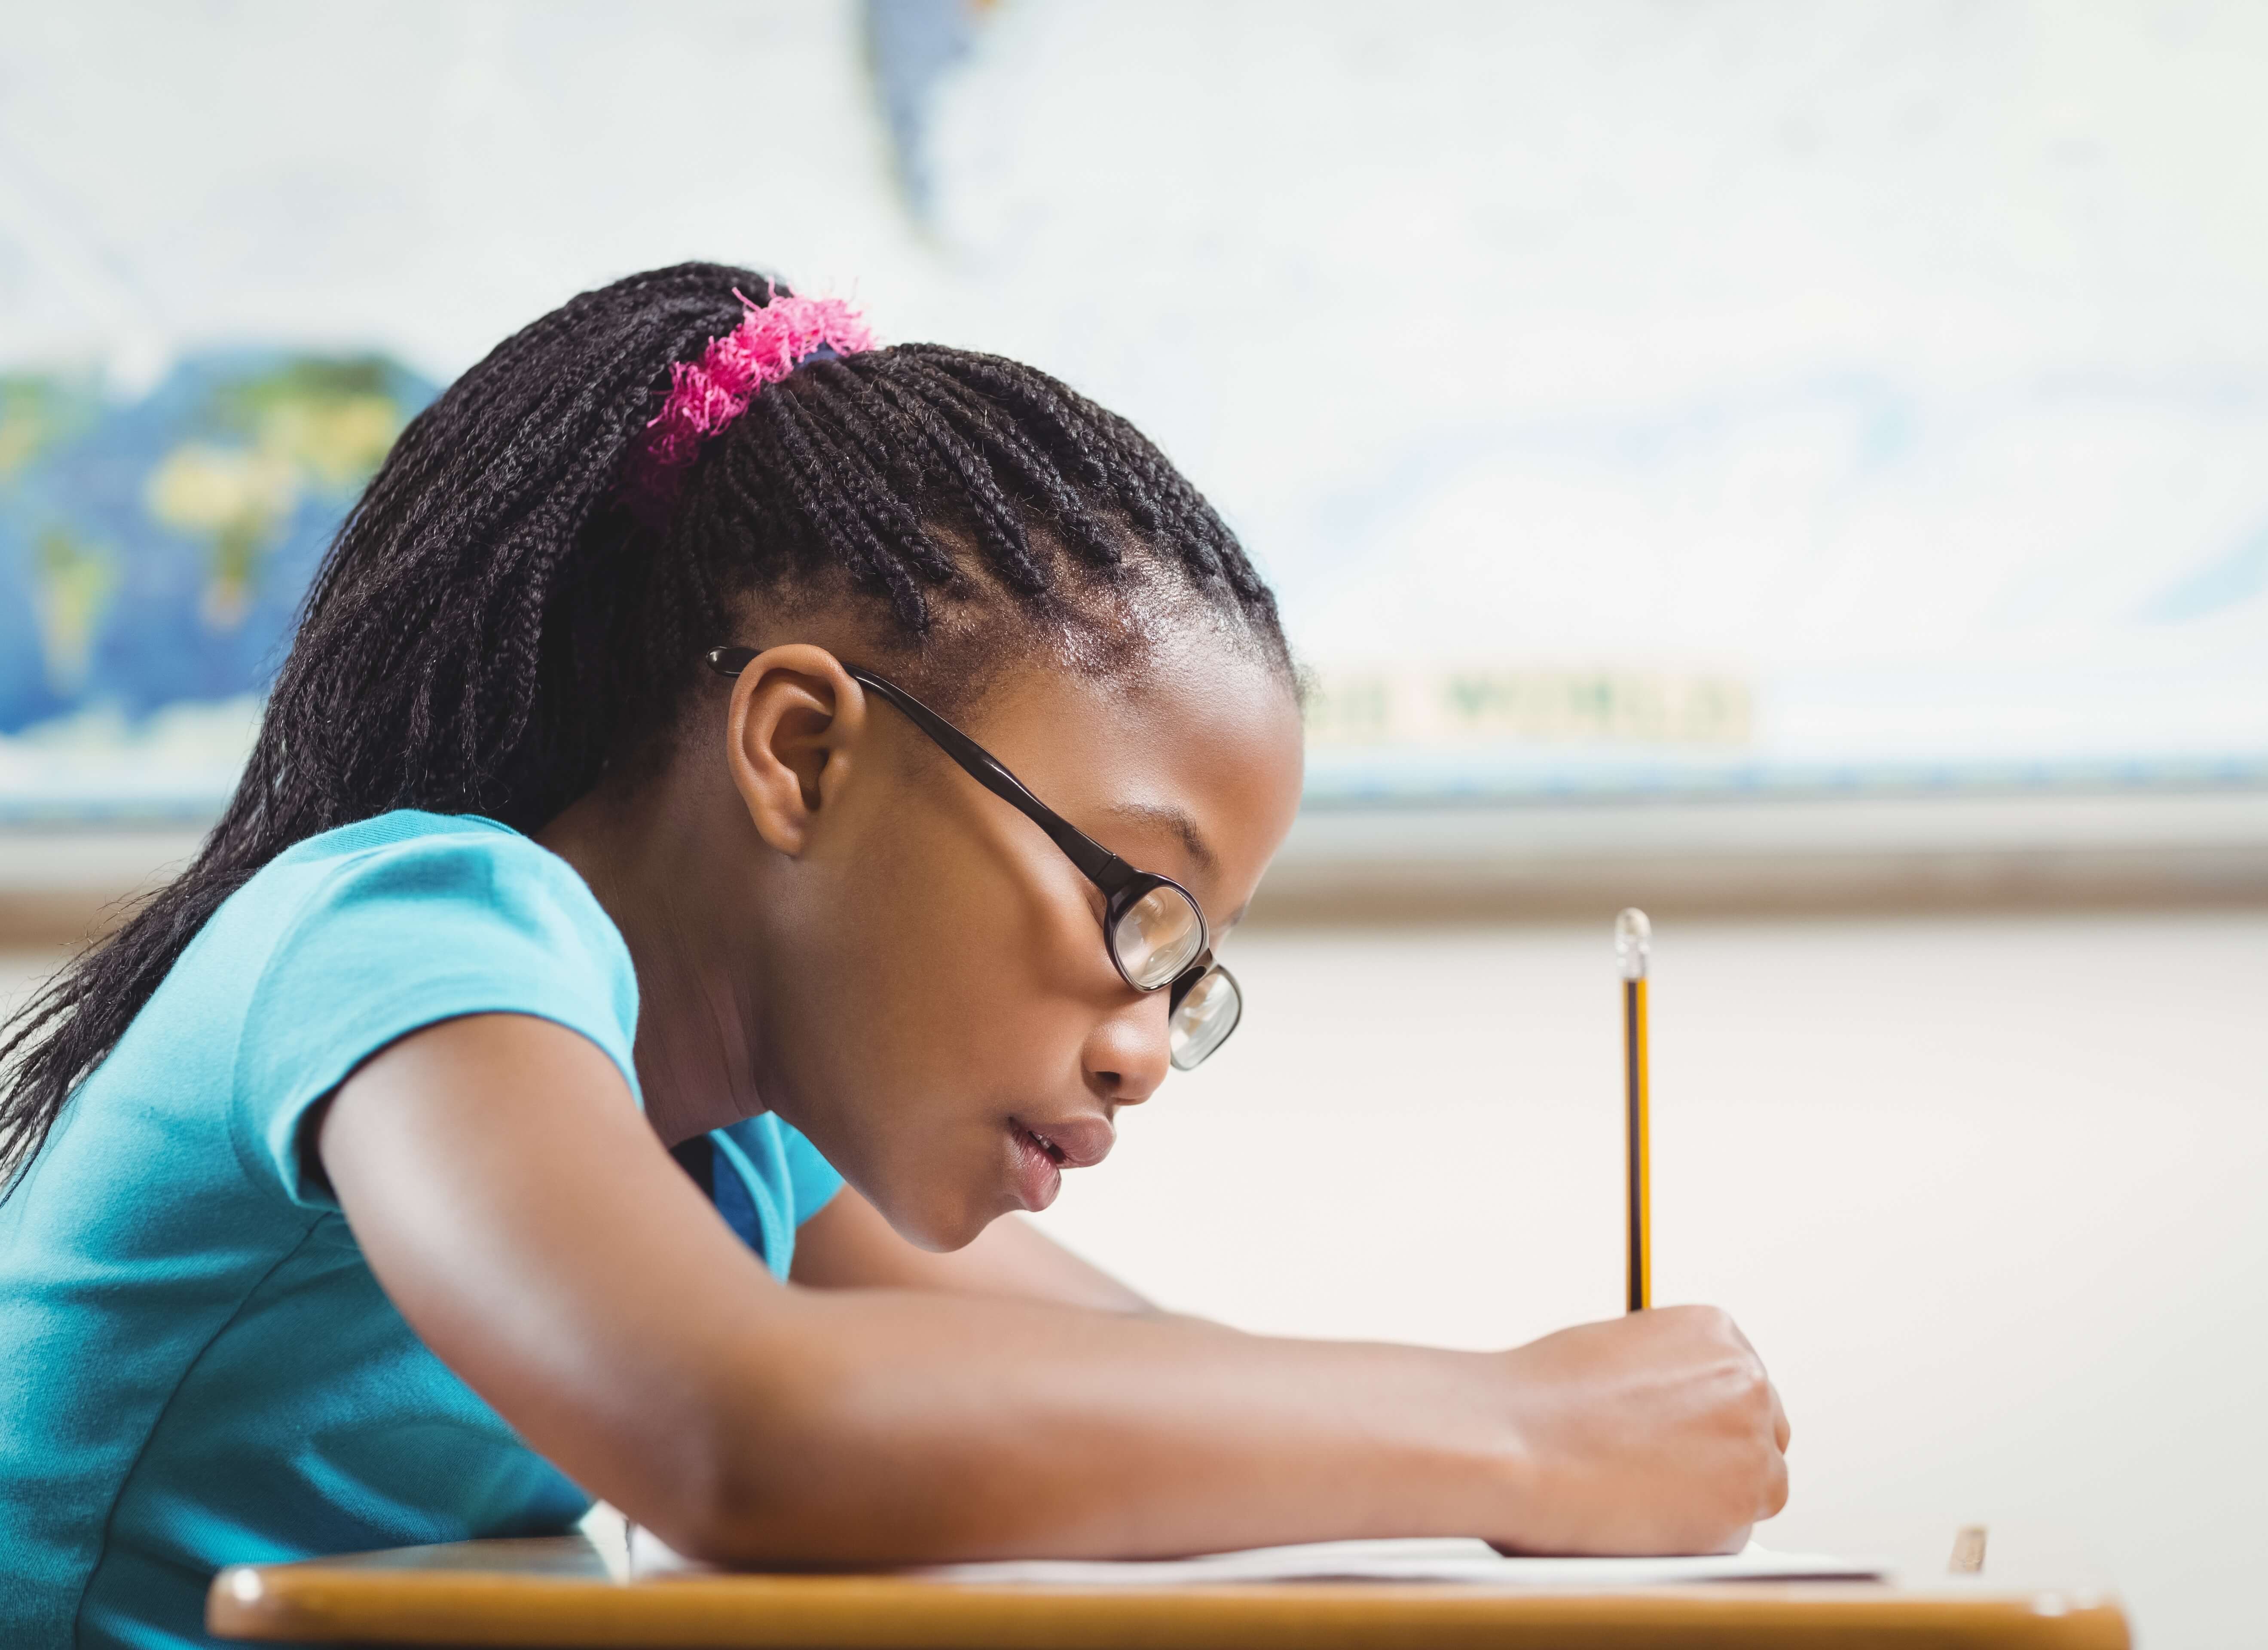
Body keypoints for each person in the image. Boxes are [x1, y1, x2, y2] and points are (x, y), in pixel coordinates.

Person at [0, 264, 1789, 1649]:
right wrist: (1526, 1436)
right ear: (802, 753)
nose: (1145, 1052)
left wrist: (1552, 1451)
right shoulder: (417, 944)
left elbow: (1138, 1391)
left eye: (1192, 978)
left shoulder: (726, 1144)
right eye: (1131, 906)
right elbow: (745, 1429)